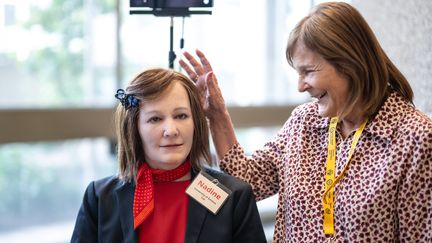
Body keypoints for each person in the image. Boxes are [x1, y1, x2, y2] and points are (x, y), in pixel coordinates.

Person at [179, 2, 432, 242]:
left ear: (349, 63)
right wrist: (217, 114)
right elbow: (249, 183)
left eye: (308, 71)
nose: (300, 87)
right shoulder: (304, 122)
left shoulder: (415, 138)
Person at [70, 68, 267, 243]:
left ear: (195, 123)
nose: (171, 130)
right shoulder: (100, 198)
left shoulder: (233, 197)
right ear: (134, 129)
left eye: (181, 116)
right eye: (155, 119)